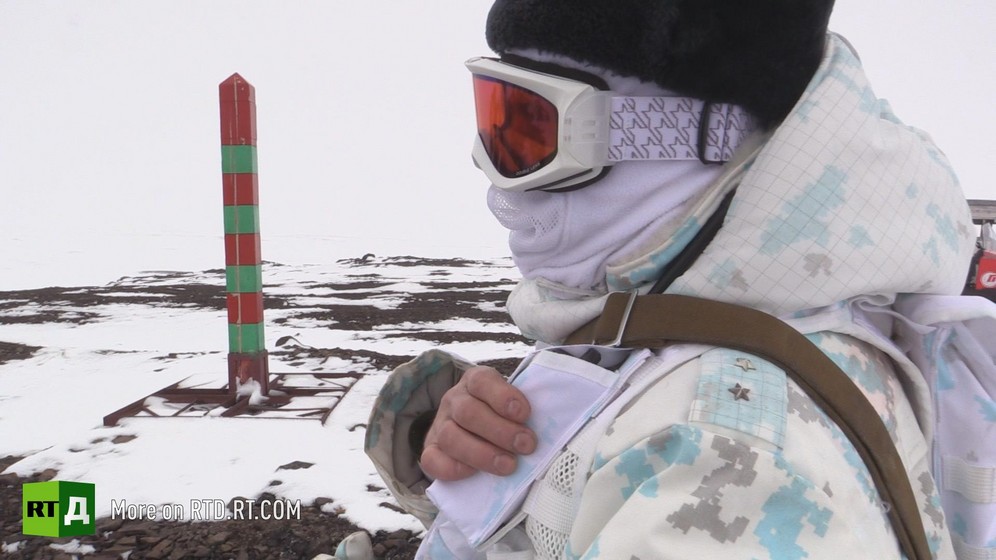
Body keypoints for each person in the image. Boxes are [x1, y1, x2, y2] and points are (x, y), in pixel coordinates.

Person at [359, 1, 978, 559]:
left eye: (526, 128)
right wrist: (498, 478)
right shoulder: (691, 331)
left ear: (677, 138)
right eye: (494, 119)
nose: (490, 169)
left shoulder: (722, 455)